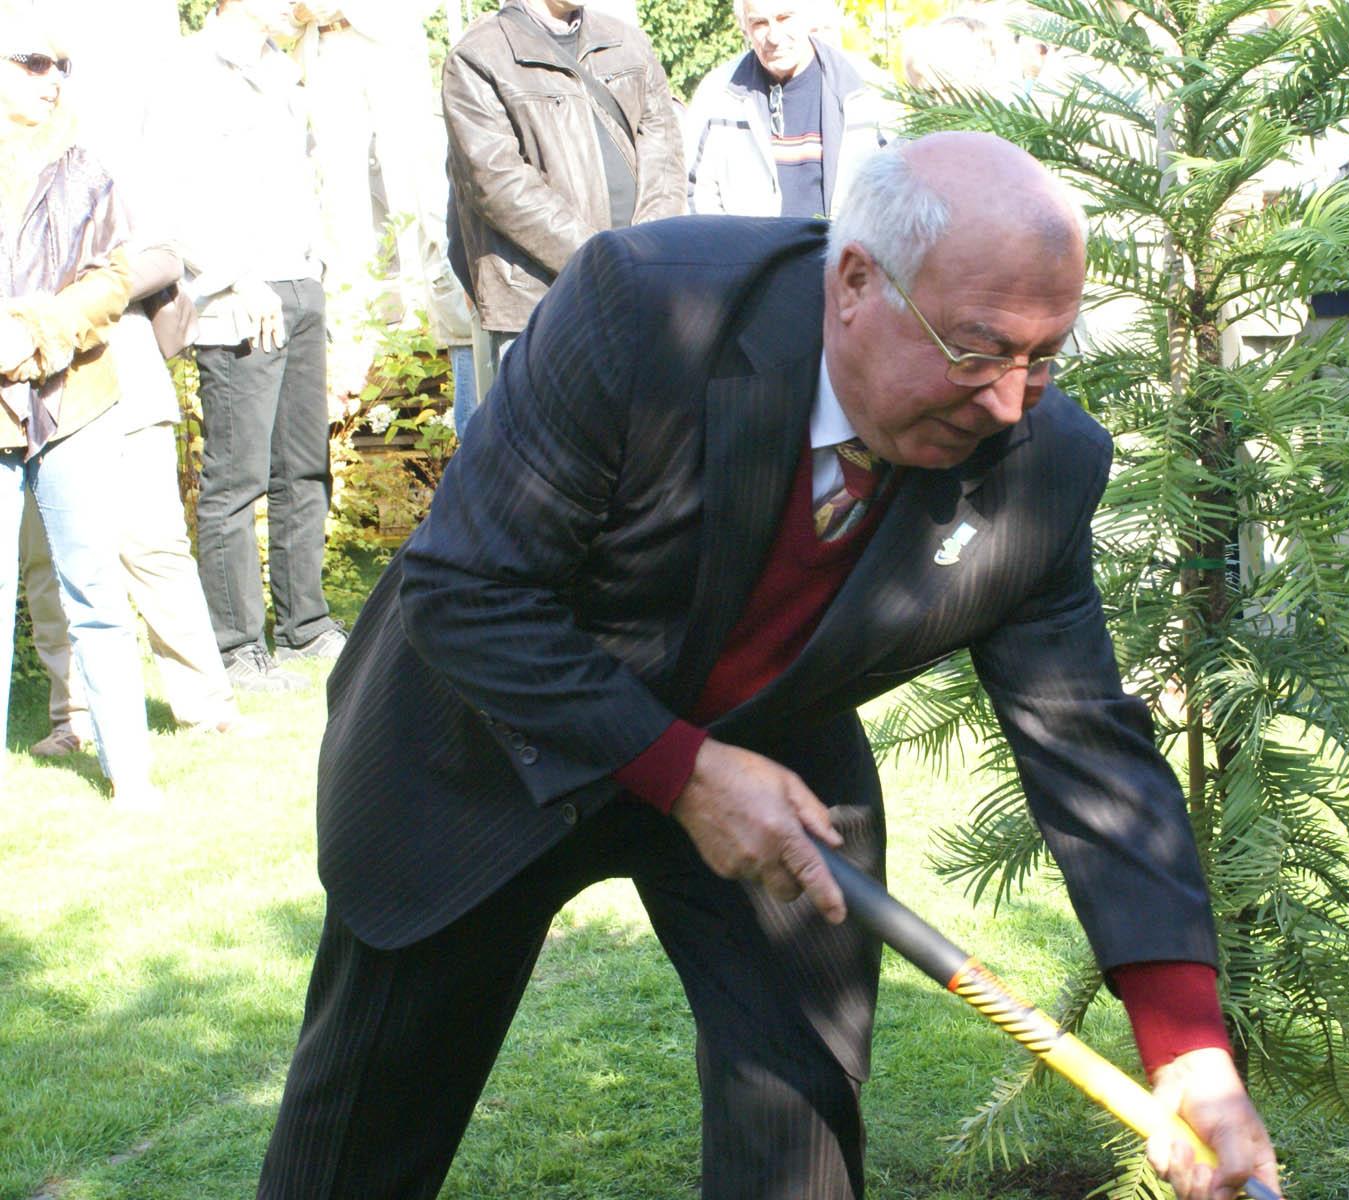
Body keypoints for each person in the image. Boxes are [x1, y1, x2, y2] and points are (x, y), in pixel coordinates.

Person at [256, 133, 1281, 1200]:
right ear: (854, 284)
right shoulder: (644, 307)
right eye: (976, 351)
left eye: (1045, 355)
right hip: (487, 745)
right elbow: (465, 590)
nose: (1009, 402)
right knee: (362, 1144)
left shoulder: (1040, 465)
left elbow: (1089, 749)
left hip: (772, 771)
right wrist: (682, 771)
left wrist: (1188, 1048)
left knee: (797, 1138)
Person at [0, 8, 157, 807]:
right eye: (32, 61)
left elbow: (114, 280)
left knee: (94, 589)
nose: (52, 76)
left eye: (60, 64)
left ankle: (130, 776)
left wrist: (32, 330)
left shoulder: (89, 168)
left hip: (75, 397)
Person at [165, 0, 341, 693]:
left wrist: (316, 266)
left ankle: (306, 629)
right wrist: (236, 276)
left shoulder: (282, 70)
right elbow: (173, 197)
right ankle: (238, 651)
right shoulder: (190, 70)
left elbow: (299, 181)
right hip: (237, 298)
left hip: (298, 285)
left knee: (304, 469)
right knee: (234, 482)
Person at [442, 0, 684, 428]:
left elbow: (663, 152)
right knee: (547, 476)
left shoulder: (627, 42)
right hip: (541, 307)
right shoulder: (478, 56)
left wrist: (648, 257)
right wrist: (605, 262)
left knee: (644, 465)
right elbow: (498, 185)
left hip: (641, 296)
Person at [291, 0, 447, 401]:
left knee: (410, 175)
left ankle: (422, 309)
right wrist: (296, 13)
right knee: (337, 190)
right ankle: (352, 326)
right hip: (322, 49)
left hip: (387, 42)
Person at [682, 0, 892, 218]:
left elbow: (900, 188)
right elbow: (693, 192)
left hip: (844, 249)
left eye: (784, 18)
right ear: (744, 27)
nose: (774, 36)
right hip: (749, 250)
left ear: (808, 16)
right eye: (760, 23)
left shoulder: (865, 88)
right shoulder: (717, 94)